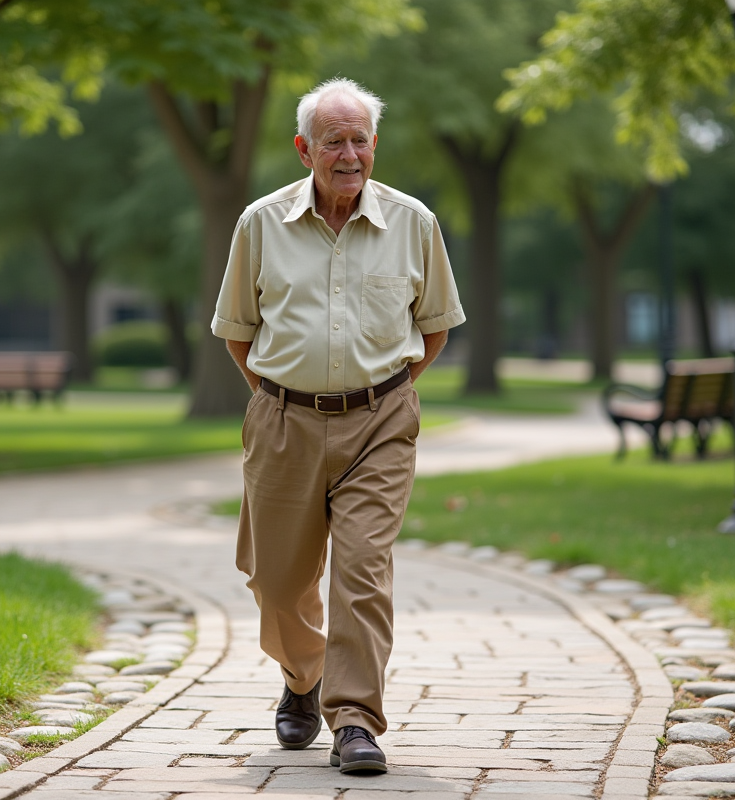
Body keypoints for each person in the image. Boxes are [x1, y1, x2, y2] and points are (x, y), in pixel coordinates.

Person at [211, 77, 465, 775]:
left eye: (360, 140)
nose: (349, 153)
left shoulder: (415, 223)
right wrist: (281, 397)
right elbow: (238, 332)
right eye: (334, 141)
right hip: (284, 421)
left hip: (381, 422)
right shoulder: (258, 224)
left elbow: (434, 329)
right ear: (304, 150)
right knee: (275, 581)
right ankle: (302, 676)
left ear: (375, 145)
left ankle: (355, 720)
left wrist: (386, 395)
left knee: (362, 571)